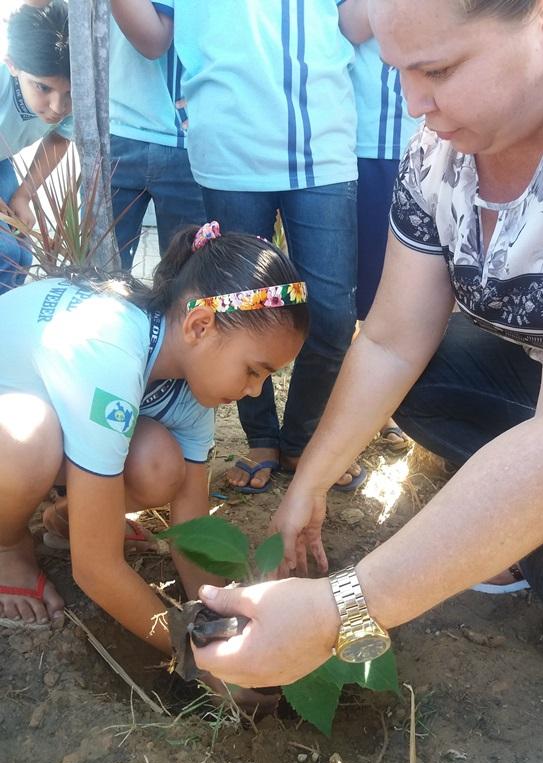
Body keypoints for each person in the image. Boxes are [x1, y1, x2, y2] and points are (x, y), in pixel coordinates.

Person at [190, 0, 543, 731]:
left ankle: (539, 541)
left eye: (439, 70)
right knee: (422, 376)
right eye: (399, 71)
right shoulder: (440, 153)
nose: (413, 104)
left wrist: (340, 610)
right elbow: (393, 340)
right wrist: (310, 482)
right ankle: (518, 520)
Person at [0, 221, 308, 688]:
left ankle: (70, 519)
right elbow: (95, 569)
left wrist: (219, 615)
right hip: (16, 434)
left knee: (161, 464)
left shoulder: (189, 374)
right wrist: (196, 657)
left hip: (40, 417)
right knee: (30, 437)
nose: (254, 391)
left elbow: (190, 521)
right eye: (253, 371)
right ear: (200, 325)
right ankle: (6, 546)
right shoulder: (110, 351)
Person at [110, 0, 364, 494]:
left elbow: (352, 23)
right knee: (234, 311)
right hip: (228, 146)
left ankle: (303, 437)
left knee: (333, 315)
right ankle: (262, 438)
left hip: (324, 139)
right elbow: (154, 37)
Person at [341, 22, 419, 451]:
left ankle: (390, 404)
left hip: (425, 139)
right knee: (356, 290)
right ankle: (353, 405)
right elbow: (349, 25)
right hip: (356, 142)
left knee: (408, 287)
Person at [108, 13, 206, 271]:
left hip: (184, 140)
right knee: (98, 276)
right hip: (116, 127)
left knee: (189, 277)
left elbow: (154, 43)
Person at [0, 0, 73, 293]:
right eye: (43, 87)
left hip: (2, 159)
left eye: (68, 93)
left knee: (21, 255)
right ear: (12, 65)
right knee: (4, 253)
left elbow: (60, 137)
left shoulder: (77, 94)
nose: (58, 107)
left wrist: (23, 195)